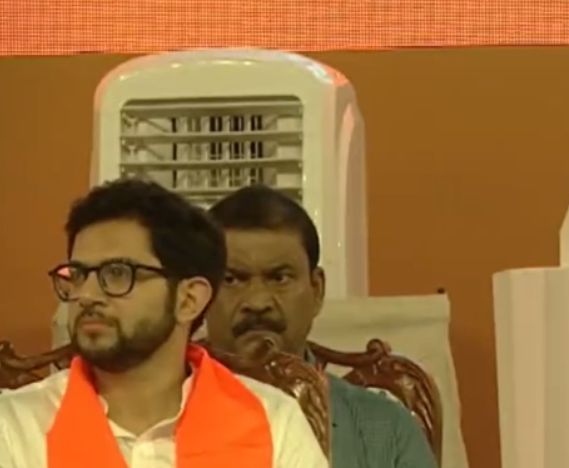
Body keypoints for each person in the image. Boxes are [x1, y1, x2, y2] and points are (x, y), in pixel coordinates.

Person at [0, 178, 326, 467]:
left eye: (118, 273)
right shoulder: (15, 426)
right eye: (79, 274)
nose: (86, 295)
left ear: (188, 300)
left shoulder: (273, 422)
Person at [206, 185, 437, 468]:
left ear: (316, 290)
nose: (257, 302)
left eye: (279, 278)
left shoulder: (387, 428)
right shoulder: (164, 417)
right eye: (232, 279)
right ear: (199, 294)